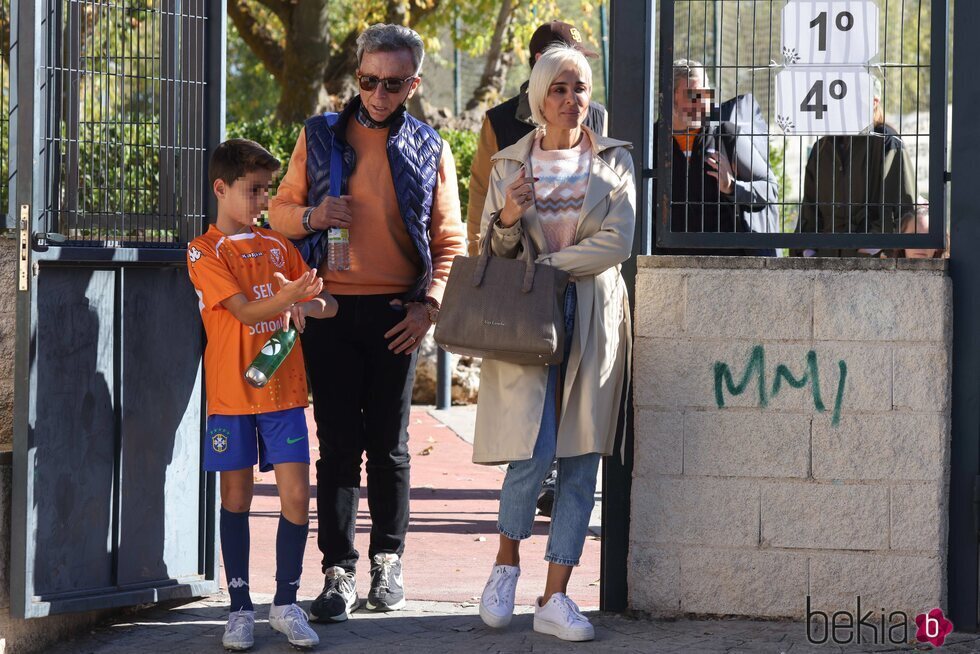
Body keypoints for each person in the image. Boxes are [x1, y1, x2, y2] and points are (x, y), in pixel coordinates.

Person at [268, 24, 466, 623]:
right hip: (328, 310)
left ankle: (388, 562)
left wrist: (427, 305)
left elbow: (450, 239)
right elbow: (278, 214)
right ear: (357, 77)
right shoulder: (321, 135)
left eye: (394, 83)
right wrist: (313, 213)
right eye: (370, 80)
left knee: (390, 447)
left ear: (414, 83)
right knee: (337, 448)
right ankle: (338, 572)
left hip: (394, 314)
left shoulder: (431, 147)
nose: (380, 93)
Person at [473, 44, 635, 642]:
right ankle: (504, 567)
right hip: (526, 317)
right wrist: (510, 220)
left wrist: (550, 268)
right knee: (531, 449)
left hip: (591, 314)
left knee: (581, 456)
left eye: (581, 88)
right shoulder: (509, 165)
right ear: (540, 97)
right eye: (560, 89)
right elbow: (494, 251)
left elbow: (617, 244)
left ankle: (556, 595)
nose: (572, 100)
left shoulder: (616, 162)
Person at [187, 138, 338, 650]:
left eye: (266, 192)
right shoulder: (203, 250)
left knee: (298, 496)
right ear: (221, 188)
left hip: (285, 394)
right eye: (253, 191)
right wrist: (286, 297)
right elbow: (245, 312)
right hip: (232, 397)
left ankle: (286, 603)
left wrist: (306, 305)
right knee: (236, 498)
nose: (261, 202)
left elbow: (328, 305)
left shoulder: (279, 246)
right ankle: (239, 609)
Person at [468, 20, 607, 519]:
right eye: (559, 72)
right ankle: (509, 553)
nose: (571, 93)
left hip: (583, 289)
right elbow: (482, 200)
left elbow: (607, 212)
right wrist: (487, 260)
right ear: (537, 70)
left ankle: (556, 558)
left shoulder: (599, 121)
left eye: (579, 76)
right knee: (530, 422)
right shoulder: (500, 121)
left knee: (582, 427)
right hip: (523, 289)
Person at [653, 59, 778, 256]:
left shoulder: (725, 136)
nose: (703, 102)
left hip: (724, 267)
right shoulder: (652, 143)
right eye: (693, 95)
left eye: (706, 93)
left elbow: (770, 190)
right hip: (666, 266)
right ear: (670, 96)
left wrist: (732, 187)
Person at [795, 79, 916, 257]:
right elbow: (809, 209)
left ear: (874, 102)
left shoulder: (887, 143)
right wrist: (809, 250)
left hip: (872, 264)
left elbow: (901, 208)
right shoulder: (822, 148)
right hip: (825, 262)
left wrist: (870, 248)